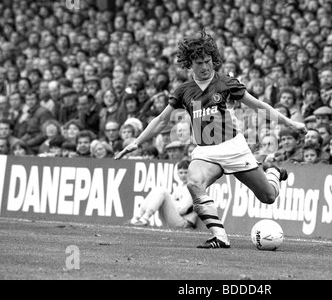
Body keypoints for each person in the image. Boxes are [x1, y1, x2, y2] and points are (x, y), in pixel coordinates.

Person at [115, 30, 306, 249]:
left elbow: (259, 106)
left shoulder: (226, 83)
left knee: (268, 196)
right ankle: (219, 236)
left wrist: (291, 124)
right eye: (199, 63)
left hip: (234, 148)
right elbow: (160, 120)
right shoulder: (183, 91)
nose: (205, 67)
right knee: (194, 183)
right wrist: (137, 142)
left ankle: (273, 173)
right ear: (189, 64)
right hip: (205, 152)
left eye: (208, 61)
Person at [130, 159, 197, 228]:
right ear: (177, 173)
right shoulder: (180, 187)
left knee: (164, 192)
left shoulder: (193, 187)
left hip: (184, 222)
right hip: (174, 219)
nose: (183, 175)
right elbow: (172, 202)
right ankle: (137, 216)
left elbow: (182, 210)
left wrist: (171, 203)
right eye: (181, 173)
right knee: (157, 189)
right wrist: (171, 203)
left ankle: (145, 218)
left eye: (186, 172)